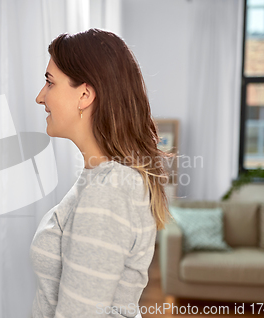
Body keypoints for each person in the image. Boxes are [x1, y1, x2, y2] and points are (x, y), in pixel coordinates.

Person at [30, 28, 173, 318]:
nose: (40, 97)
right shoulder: (104, 177)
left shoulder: (108, 190)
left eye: (50, 83)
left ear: (84, 95)